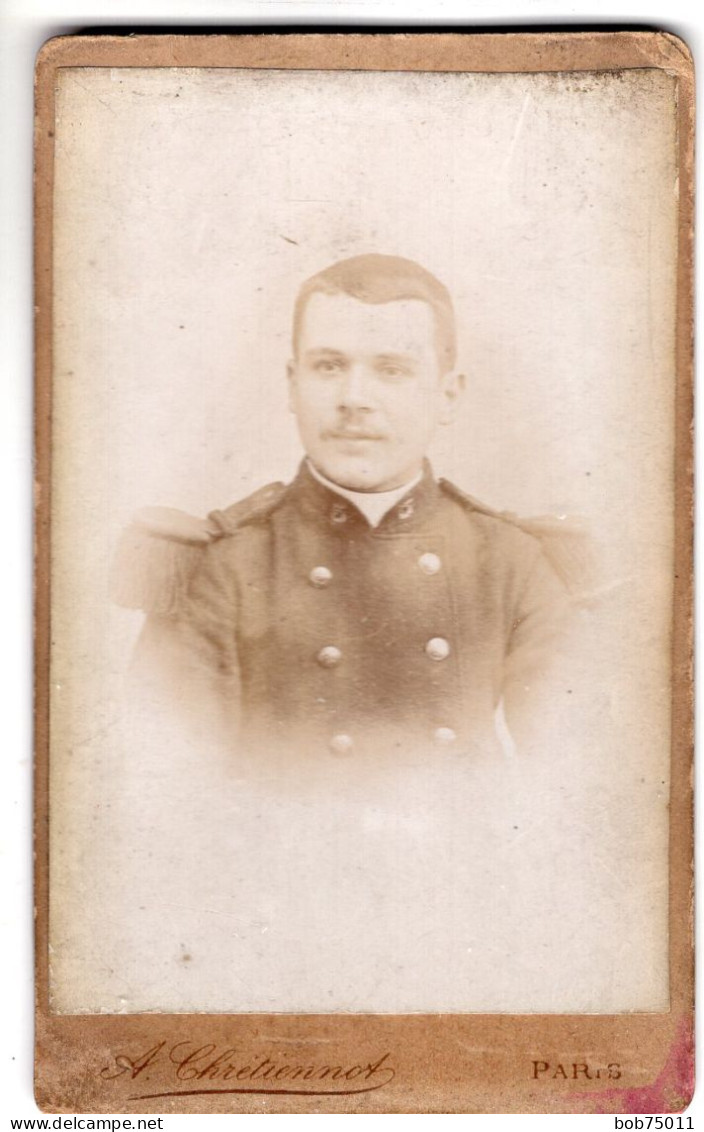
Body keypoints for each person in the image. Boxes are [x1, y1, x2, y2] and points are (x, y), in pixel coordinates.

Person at [113, 254, 584, 763]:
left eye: (392, 369)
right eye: (329, 366)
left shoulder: (515, 563)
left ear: (448, 395)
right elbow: (163, 792)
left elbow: (573, 781)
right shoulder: (220, 566)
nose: (355, 398)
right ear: (293, 385)